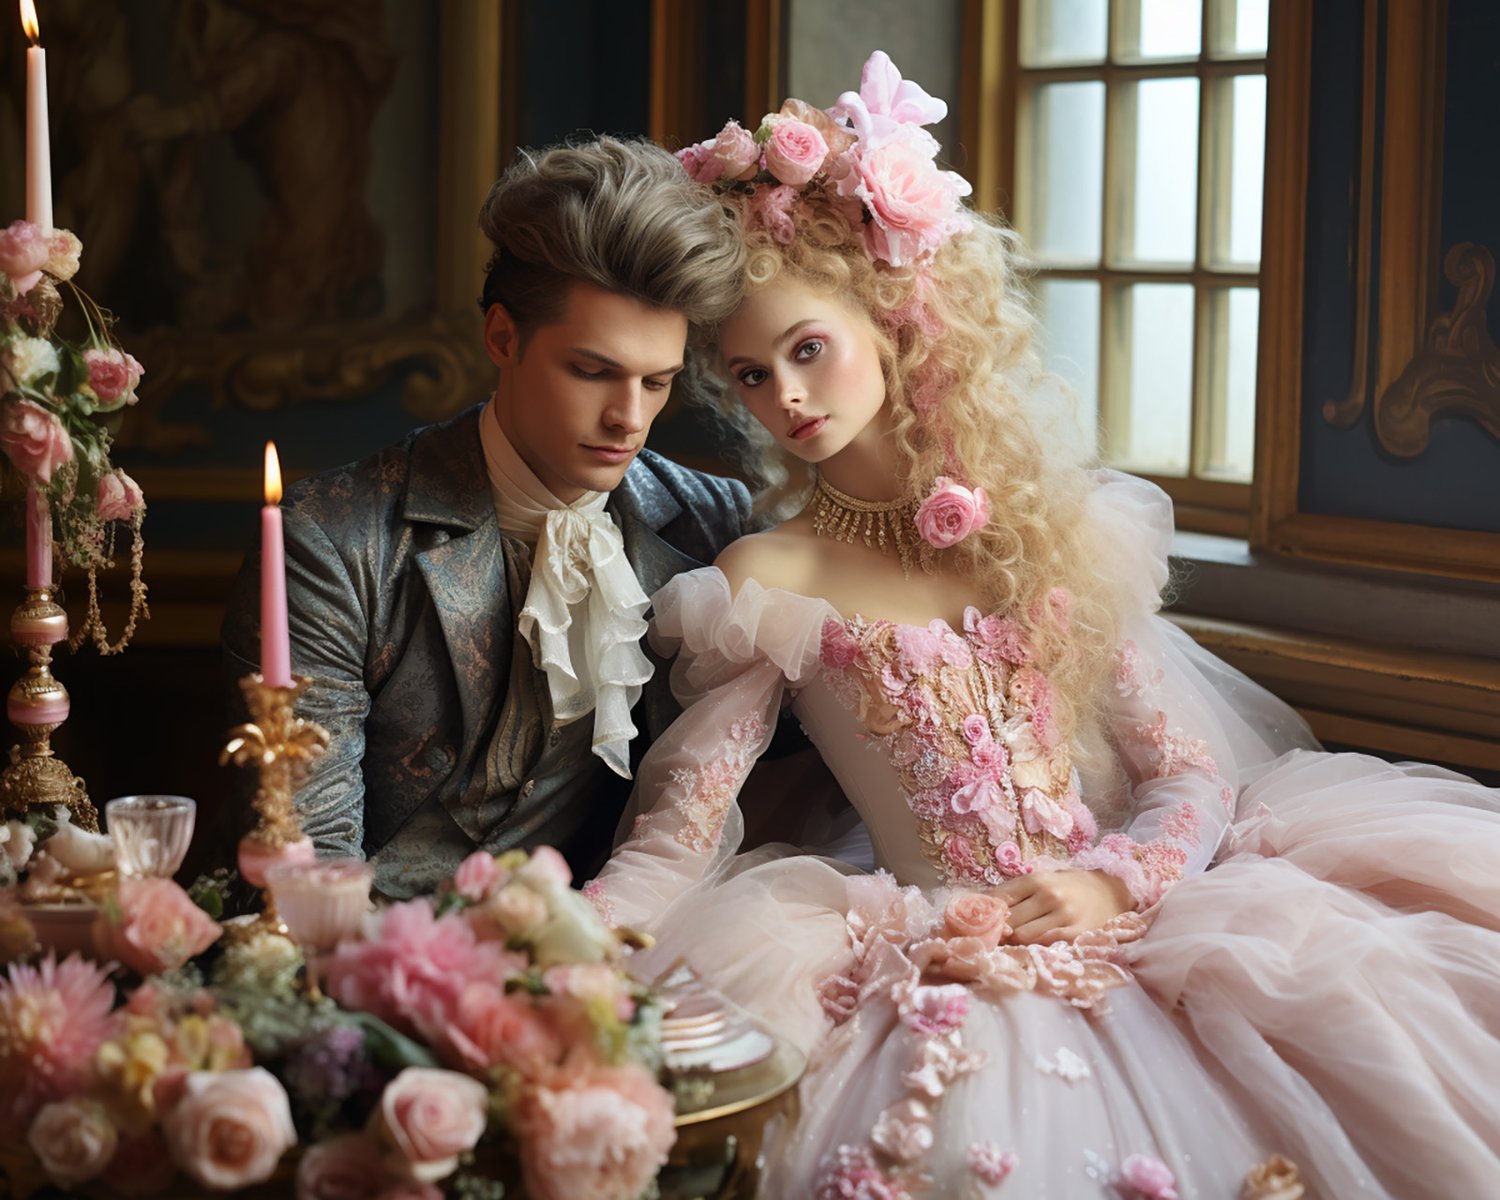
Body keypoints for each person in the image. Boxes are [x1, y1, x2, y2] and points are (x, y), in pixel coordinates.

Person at [588, 53, 1500, 1198]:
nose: (788, 400)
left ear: (889, 317)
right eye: (750, 376)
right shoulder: (769, 576)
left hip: (1148, 918)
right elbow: (679, 833)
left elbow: (1188, 777)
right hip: (944, 952)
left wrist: (1110, 884)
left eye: (807, 350)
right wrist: (557, 945)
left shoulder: (1038, 530)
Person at [222, 137, 754, 899]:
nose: (627, 419)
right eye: (591, 371)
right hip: (365, 976)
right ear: (502, 338)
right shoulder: (333, 541)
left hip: (605, 967)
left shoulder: (710, 526)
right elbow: (307, 865)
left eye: (657, 382)